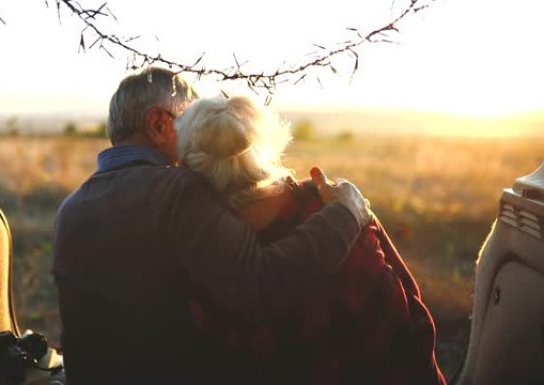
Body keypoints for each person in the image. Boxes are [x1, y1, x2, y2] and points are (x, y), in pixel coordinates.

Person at [52, 67, 372, 385]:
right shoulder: (177, 191)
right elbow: (261, 286)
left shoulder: (70, 208)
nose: (202, 134)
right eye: (190, 121)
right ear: (158, 124)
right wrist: (345, 213)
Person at [175, 95, 446, 385]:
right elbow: (408, 312)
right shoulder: (333, 205)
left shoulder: (199, 254)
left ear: (192, 168)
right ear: (266, 146)